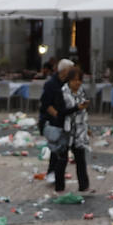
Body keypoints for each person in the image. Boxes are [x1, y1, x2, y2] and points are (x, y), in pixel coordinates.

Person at [40, 58, 74, 193]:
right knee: (58, 149)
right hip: (53, 122)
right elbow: (46, 105)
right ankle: (54, 176)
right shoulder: (51, 84)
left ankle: (54, 175)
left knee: (60, 150)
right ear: (64, 71)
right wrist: (58, 117)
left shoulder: (67, 84)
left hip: (63, 121)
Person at [62, 66, 91, 194]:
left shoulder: (81, 92)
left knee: (80, 158)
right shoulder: (63, 92)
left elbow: (83, 112)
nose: (77, 83)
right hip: (67, 129)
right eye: (74, 80)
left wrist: (86, 127)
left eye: (79, 80)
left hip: (79, 130)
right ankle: (59, 185)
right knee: (62, 159)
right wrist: (77, 108)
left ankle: (84, 185)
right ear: (69, 80)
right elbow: (62, 111)